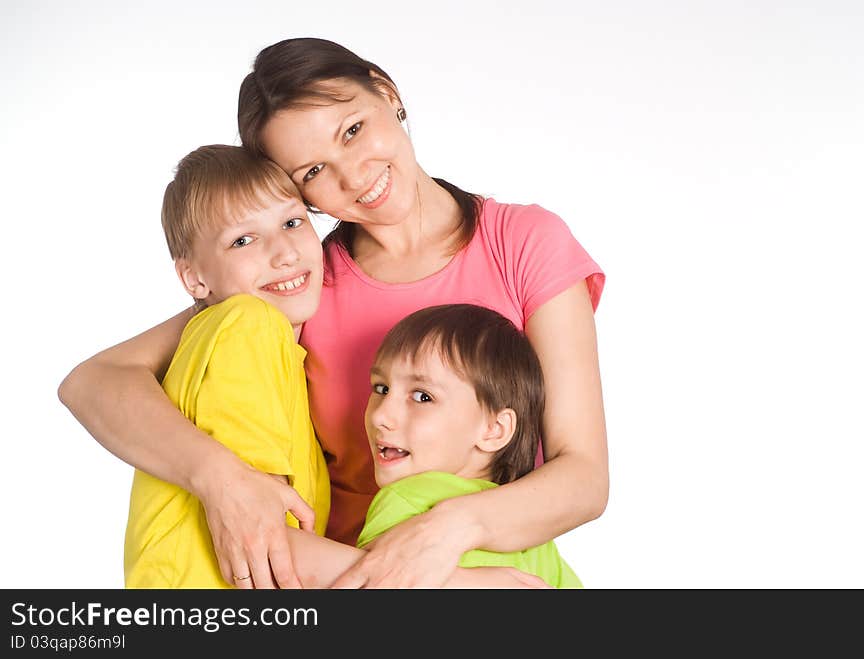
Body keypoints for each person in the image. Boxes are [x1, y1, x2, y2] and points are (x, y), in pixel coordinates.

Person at [58, 37, 608, 589]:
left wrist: (447, 534)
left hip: (502, 571)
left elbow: (583, 477)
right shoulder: (301, 283)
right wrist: (219, 479)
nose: (354, 175)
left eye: (352, 130)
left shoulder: (523, 243)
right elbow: (95, 381)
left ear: (386, 92)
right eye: (314, 171)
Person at [124, 144, 330, 587]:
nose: (285, 253)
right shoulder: (248, 327)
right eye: (243, 239)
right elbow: (269, 546)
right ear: (195, 279)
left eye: (292, 222)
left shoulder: (259, 348)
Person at [281, 303, 579, 588]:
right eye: (381, 389)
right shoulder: (535, 536)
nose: (381, 415)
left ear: (494, 430)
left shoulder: (410, 498)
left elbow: (284, 557)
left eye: (422, 396)